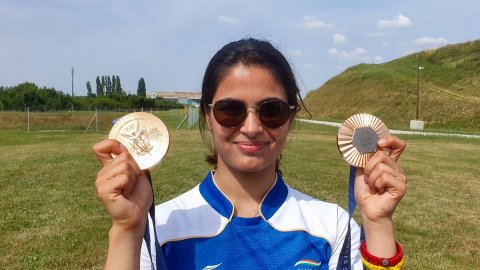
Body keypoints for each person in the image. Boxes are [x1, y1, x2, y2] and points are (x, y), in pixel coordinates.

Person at [93, 38, 407, 270]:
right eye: (232, 110)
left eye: (271, 110)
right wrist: (127, 230)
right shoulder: (161, 227)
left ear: (290, 119)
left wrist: (377, 223)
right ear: (208, 116)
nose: (252, 127)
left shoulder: (331, 226)